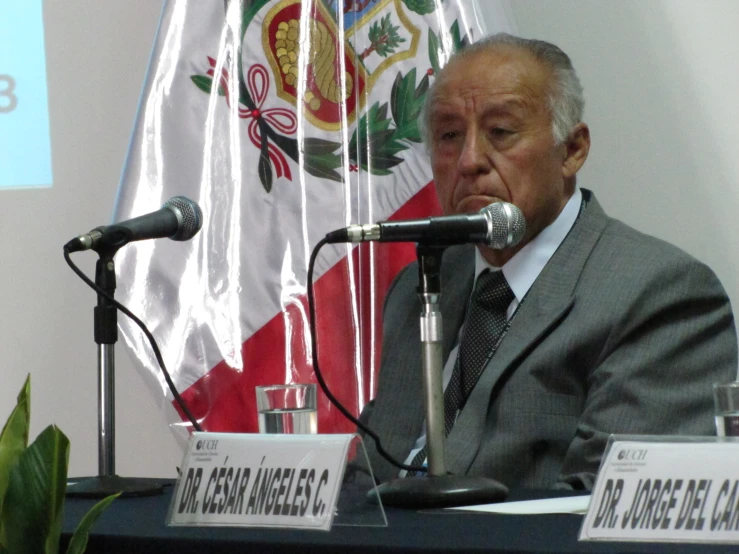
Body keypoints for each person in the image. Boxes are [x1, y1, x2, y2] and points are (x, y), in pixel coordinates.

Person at [360, 33, 738, 491]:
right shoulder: (421, 285)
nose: (469, 160)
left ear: (573, 150)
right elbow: (371, 476)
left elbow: (605, 504)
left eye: (500, 132)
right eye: (448, 136)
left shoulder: (658, 292)